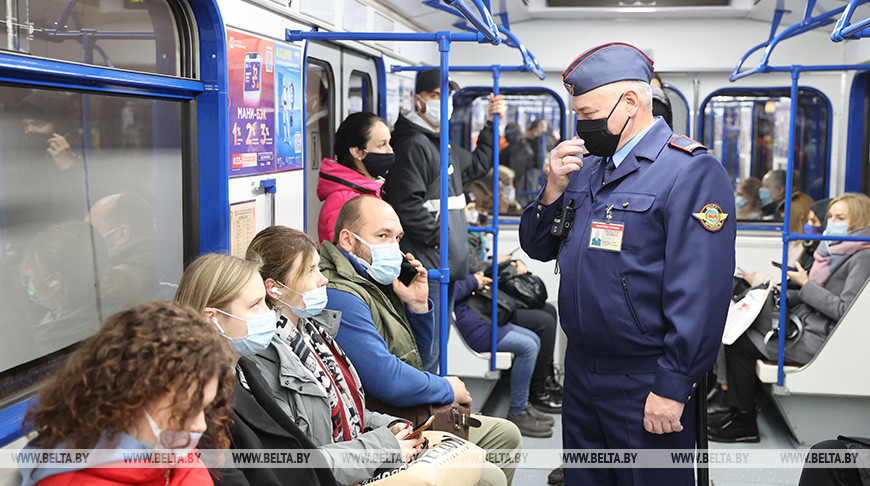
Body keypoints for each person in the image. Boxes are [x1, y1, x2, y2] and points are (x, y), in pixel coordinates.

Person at [518, 42, 736, 485]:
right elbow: (540, 246)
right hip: (581, 369)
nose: (582, 124)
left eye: (590, 113)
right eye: (577, 113)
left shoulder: (689, 170)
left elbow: (701, 292)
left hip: (645, 378)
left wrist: (673, 386)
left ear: (631, 102)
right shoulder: (585, 167)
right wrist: (552, 189)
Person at [320, 195, 523, 485]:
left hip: (401, 408)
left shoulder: (376, 280)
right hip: (383, 419)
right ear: (348, 240)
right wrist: (446, 388)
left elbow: (420, 358)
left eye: (397, 238)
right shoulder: (342, 294)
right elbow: (387, 380)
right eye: (382, 236)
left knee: (507, 435)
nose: (393, 246)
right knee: (489, 477)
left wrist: (418, 305)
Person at [243, 226, 427, 484]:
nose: (323, 279)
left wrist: (391, 427)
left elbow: (350, 412)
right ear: (275, 288)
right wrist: (384, 446)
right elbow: (299, 460)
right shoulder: (263, 358)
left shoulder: (314, 331)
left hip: (360, 464)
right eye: (310, 271)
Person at [709, 193, 870, 443]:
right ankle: (733, 409)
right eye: (831, 217)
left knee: (740, 343)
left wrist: (805, 284)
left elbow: (844, 310)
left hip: (821, 338)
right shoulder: (833, 250)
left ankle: (744, 420)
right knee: (736, 330)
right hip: (806, 325)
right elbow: (811, 296)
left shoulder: (862, 257)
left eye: (840, 218)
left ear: (859, 221)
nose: (833, 222)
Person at [18, 301, 235, 486]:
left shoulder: (171, 454)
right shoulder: (68, 480)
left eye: (203, 409)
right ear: (134, 396)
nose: (201, 426)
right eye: (187, 410)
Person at [174, 254, 337, 486]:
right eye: (255, 305)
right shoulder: (201, 400)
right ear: (212, 319)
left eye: (265, 303)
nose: (268, 314)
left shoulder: (244, 368)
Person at [384, 67, 506, 373]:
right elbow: (406, 206)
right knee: (429, 349)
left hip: (445, 261)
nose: (444, 102)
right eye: (435, 95)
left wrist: (492, 123)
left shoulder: (440, 143)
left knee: (439, 345)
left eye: (447, 96)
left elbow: (477, 165)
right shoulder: (413, 145)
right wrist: (442, 238)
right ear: (418, 100)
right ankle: (423, 415)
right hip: (429, 262)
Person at [453, 267, 550, 437]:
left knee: (533, 338)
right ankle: (517, 412)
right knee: (528, 347)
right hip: (470, 323)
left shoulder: (455, 256)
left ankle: (524, 403)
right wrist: (474, 282)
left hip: (477, 314)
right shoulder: (442, 262)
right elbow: (450, 292)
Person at [317, 112, 395, 243]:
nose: (390, 151)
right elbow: (346, 254)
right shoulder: (343, 200)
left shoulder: (369, 190)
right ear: (357, 152)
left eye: (389, 143)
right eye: (382, 145)